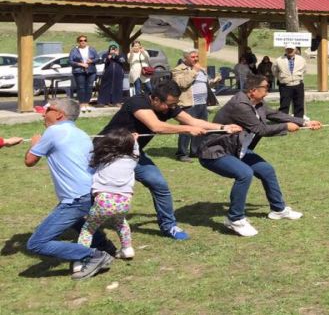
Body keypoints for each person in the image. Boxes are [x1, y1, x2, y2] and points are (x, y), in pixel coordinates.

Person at [99, 80, 242, 240]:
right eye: (169, 104)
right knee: (94, 190)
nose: (171, 108)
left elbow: (193, 121)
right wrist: (187, 129)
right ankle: (84, 223)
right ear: (155, 99)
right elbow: (156, 126)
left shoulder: (169, 107)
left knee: (159, 184)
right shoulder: (137, 102)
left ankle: (169, 226)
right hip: (107, 152)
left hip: (133, 154)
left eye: (174, 104)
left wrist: (223, 128)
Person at [207, 74, 322, 236]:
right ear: (253, 90)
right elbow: (260, 129)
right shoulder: (240, 105)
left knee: (266, 170)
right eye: (265, 88)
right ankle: (235, 219)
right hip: (216, 151)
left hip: (238, 149)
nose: (267, 92)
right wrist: (286, 127)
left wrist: (304, 122)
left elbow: (275, 114)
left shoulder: (257, 102)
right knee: (244, 174)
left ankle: (278, 210)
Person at [22, 98, 115, 280]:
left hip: (76, 198)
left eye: (47, 109)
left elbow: (29, 161)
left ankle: (94, 256)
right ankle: (103, 244)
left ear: (59, 114)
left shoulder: (53, 131)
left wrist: (34, 144)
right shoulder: (81, 133)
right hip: (90, 192)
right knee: (73, 219)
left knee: (36, 244)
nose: (43, 114)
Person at [77, 129, 138, 264]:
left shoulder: (103, 159)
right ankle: (127, 248)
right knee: (120, 223)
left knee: (88, 228)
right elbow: (136, 151)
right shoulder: (132, 160)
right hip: (124, 201)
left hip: (104, 200)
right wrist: (134, 141)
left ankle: (81, 258)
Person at [172, 50, 216, 162]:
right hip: (189, 104)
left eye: (197, 56)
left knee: (201, 128)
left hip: (202, 103)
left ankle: (195, 151)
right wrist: (194, 71)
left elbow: (206, 83)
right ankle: (182, 153)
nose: (196, 59)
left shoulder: (201, 69)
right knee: (187, 129)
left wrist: (214, 82)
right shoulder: (178, 69)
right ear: (185, 58)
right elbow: (182, 84)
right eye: (192, 57)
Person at [273, 46, 306, 118]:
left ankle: (298, 120)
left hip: (298, 84)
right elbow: (275, 71)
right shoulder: (279, 60)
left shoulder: (301, 59)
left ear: (295, 50)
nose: (290, 51)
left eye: (291, 49)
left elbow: (304, 70)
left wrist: (297, 77)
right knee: (284, 105)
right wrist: (282, 78)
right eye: (288, 49)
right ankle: (283, 120)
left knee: (299, 104)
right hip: (285, 85)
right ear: (285, 50)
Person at [69, 34, 99, 111]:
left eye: (85, 40)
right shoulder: (74, 50)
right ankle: (82, 104)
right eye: (81, 40)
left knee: (89, 87)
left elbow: (98, 59)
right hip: (79, 71)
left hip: (91, 71)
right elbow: (70, 61)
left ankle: (87, 103)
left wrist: (92, 61)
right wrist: (80, 64)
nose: (83, 42)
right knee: (81, 87)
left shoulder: (92, 49)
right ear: (78, 42)